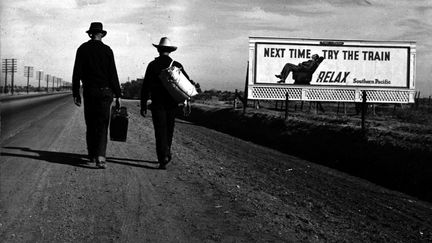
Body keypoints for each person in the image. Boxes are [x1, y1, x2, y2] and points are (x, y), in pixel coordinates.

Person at [72, 22, 121, 169]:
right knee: (102, 123)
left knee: (91, 122)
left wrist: (76, 93)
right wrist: (118, 94)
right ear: (101, 34)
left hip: (90, 91)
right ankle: (101, 156)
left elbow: (77, 73)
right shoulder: (107, 50)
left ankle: (92, 154)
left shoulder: (82, 49)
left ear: (90, 34)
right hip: (106, 91)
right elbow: (113, 73)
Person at [140, 37, 191, 169]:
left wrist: (143, 105)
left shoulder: (152, 65)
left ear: (158, 49)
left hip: (157, 104)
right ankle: (166, 151)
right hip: (172, 104)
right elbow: (187, 82)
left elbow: (145, 86)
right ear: (170, 51)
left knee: (159, 131)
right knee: (169, 129)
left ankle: (163, 157)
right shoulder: (177, 64)